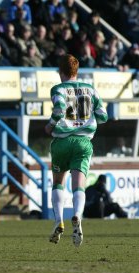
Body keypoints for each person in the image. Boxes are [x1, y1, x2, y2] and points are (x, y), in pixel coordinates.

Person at [45, 54, 108, 247]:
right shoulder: (90, 90)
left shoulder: (58, 89)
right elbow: (103, 116)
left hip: (62, 141)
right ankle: (77, 217)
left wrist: (50, 125)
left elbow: (59, 108)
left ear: (60, 71)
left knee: (58, 183)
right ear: (77, 70)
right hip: (83, 142)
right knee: (79, 185)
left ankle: (58, 220)